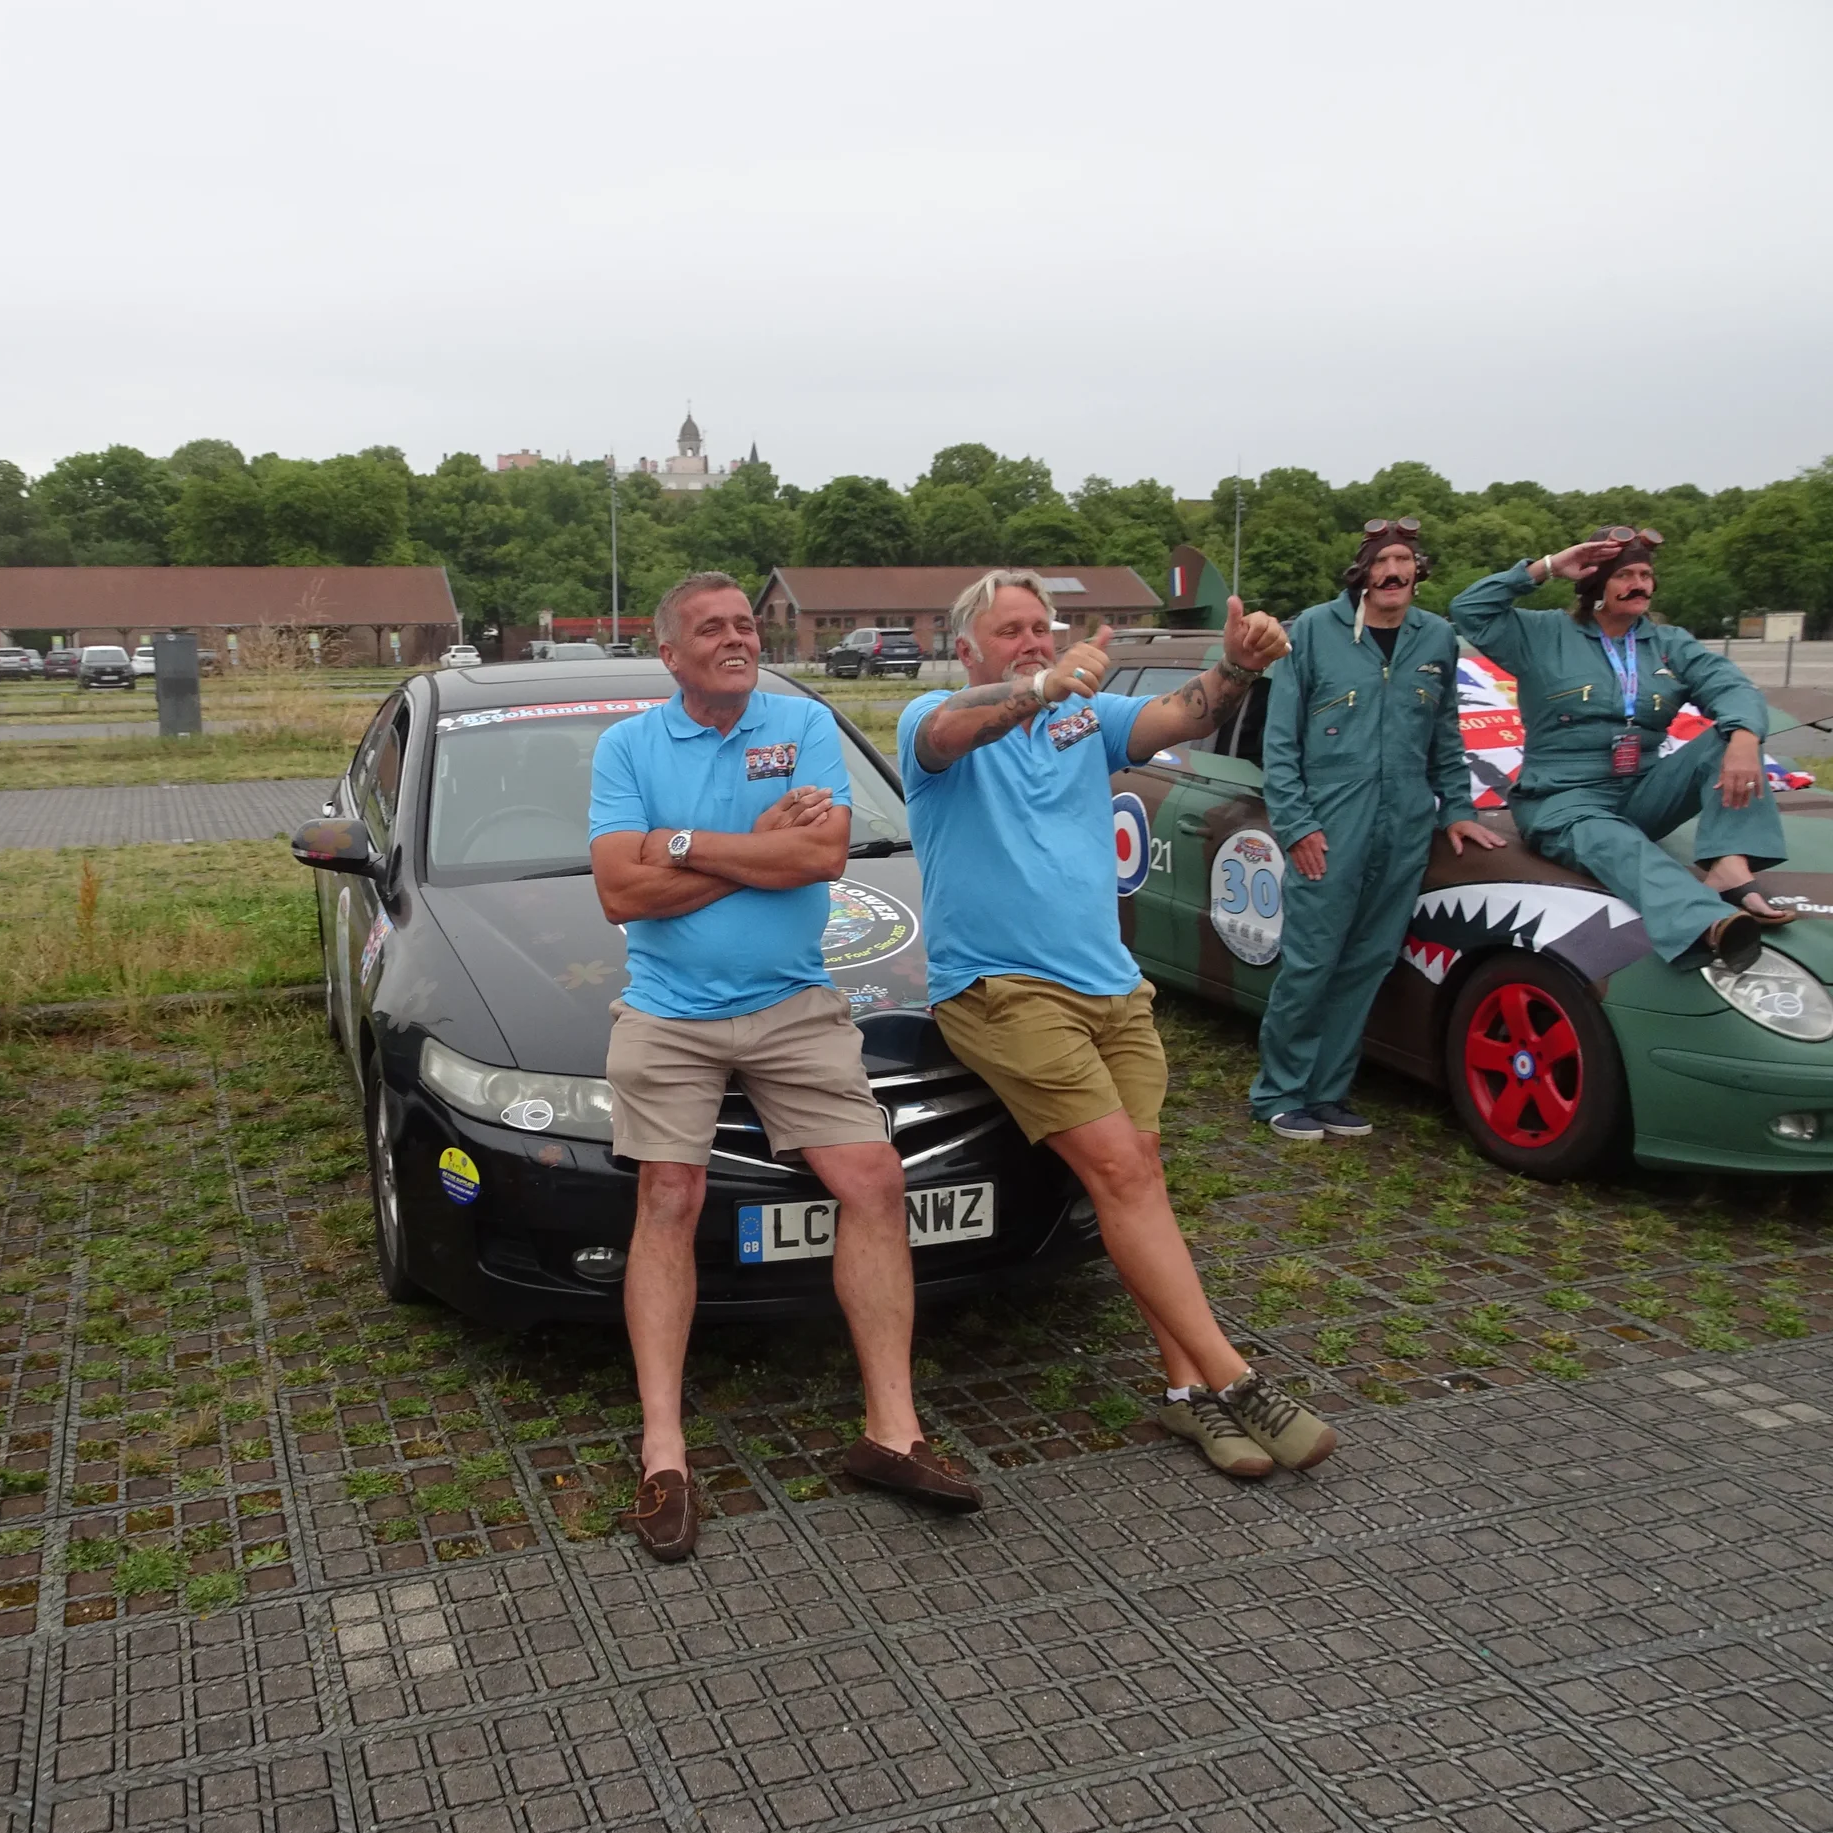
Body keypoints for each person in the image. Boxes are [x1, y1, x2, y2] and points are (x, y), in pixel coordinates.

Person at [900, 570, 1337, 1480]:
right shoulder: (933, 719)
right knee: (1124, 1170)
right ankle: (1236, 1378)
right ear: (968, 648)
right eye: (1010, 630)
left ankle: (1186, 1397)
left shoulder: (1082, 722)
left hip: (1112, 987)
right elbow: (951, 733)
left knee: (1135, 1183)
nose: (1032, 639)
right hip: (1001, 989)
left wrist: (1236, 666)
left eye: (1040, 628)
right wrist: (1034, 690)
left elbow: (1186, 715)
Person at [589, 570, 979, 1561]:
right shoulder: (627, 746)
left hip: (795, 1008)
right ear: (669, 654)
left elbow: (820, 860)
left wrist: (681, 849)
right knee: (667, 1196)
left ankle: (891, 1434)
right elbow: (617, 895)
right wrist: (746, 845)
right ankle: (664, 1455)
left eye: (746, 625)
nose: (737, 638)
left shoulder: (800, 724)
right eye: (711, 628)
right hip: (667, 1014)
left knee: (875, 1181)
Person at [1252, 519, 1505, 1140]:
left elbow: (1446, 734)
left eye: (1404, 561)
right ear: (1361, 572)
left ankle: (1329, 1092)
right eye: (1382, 561)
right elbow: (1279, 743)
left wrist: (1460, 810)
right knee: (1312, 961)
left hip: (1405, 825)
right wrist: (1297, 824)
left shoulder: (1437, 636)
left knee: (1367, 961)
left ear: (1418, 571)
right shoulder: (1312, 631)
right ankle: (1279, 1093)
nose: (1393, 572)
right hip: (1331, 824)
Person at [1449, 530, 1789, 972]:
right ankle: (1709, 923)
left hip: (1643, 791)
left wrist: (1745, 737)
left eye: (1646, 574)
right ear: (1596, 586)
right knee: (1618, 844)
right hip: (1563, 801)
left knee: (1734, 734)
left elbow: (1730, 686)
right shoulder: (1543, 633)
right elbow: (1469, 610)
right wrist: (1549, 565)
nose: (1639, 584)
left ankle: (1731, 866)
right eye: (1625, 574)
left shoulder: (1668, 643)